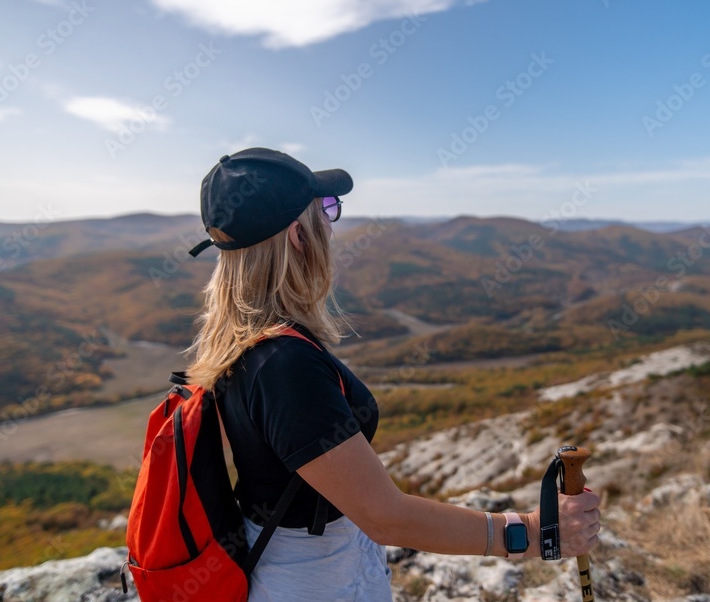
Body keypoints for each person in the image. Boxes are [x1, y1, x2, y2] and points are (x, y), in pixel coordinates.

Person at [183, 147, 600, 601]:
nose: (331, 223)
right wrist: (537, 533)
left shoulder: (248, 343)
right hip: (318, 582)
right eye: (326, 210)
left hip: (299, 567)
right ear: (299, 236)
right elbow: (385, 517)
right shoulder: (284, 365)